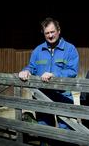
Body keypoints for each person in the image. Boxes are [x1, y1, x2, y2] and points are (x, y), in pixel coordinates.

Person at [18, 17, 79, 145]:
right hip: (42, 95)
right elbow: (32, 67)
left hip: (63, 95)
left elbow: (72, 71)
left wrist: (54, 75)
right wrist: (26, 70)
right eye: (47, 33)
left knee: (66, 130)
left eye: (52, 32)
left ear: (59, 31)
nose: (50, 35)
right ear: (43, 33)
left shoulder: (70, 49)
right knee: (44, 129)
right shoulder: (38, 50)